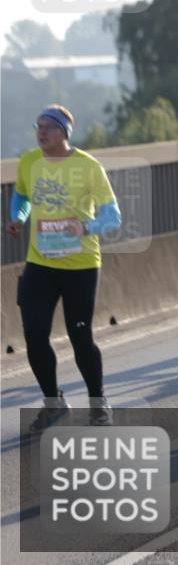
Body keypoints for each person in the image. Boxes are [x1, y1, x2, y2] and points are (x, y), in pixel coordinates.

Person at [6, 104, 122, 431]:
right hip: (40, 264)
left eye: (49, 127)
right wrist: (19, 218)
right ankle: (53, 402)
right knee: (34, 333)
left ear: (64, 133)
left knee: (80, 336)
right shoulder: (29, 161)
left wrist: (85, 228)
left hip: (81, 266)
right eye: (38, 126)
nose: (41, 132)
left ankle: (98, 404)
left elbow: (113, 217)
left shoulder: (88, 167)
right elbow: (23, 196)